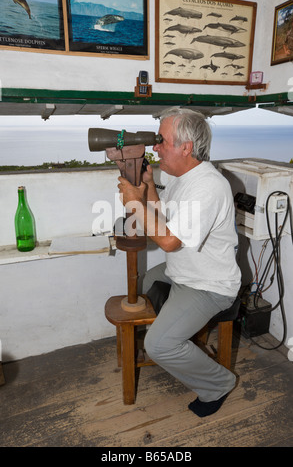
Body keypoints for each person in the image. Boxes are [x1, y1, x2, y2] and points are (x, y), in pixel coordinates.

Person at [117, 107, 241, 417]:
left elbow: (170, 241)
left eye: (161, 141)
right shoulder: (182, 176)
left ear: (185, 147)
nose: (155, 147)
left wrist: (133, 201)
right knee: (143, 284)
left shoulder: (207, 185)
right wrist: (145, 186)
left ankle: (219, 383)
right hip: (182, 271)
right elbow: (162, 211)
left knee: (159, 346)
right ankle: (180, 335)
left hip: (208, 285)